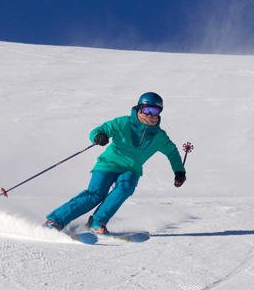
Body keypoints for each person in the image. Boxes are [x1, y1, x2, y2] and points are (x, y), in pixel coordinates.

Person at [44, 92, 187, 234]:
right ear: (139, 108)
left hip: (131, 169)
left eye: (154, 111)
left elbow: (172, 152)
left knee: (126, 187)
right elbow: (99, 130)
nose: (149, 114)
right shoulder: (123, 123)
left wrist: (179, 171)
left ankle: (97, 222)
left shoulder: (159, 136)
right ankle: (55, 220)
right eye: (146, 109)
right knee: (95, 194)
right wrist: (98, 136)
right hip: (108, 164)